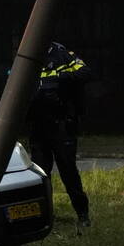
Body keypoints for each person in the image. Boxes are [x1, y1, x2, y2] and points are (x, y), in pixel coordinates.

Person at [28, 41, 92, 229]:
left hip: (61, 124)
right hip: (39, 126)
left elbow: (86, 73)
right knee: (40, 174)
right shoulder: (29, 58)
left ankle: (83, 214)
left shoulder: (62, 54)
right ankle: (43, 216)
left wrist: (61, 78)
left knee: (68, 171)